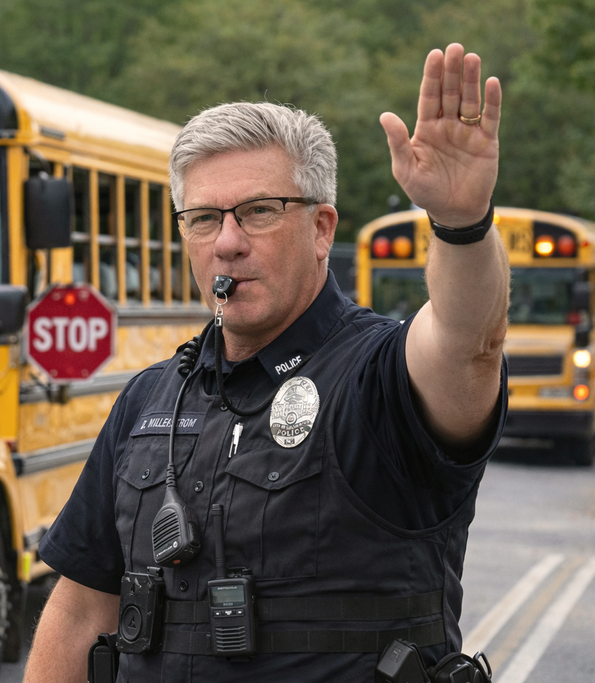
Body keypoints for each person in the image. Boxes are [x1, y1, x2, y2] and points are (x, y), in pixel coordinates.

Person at [25, 44, 508, 683]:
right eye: (203, 219)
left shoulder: (379, 377)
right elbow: (84, 610)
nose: (227, 242)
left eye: (258, 212)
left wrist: (461, 224)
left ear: (321, 229)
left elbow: (468, 339)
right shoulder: (149, 402)